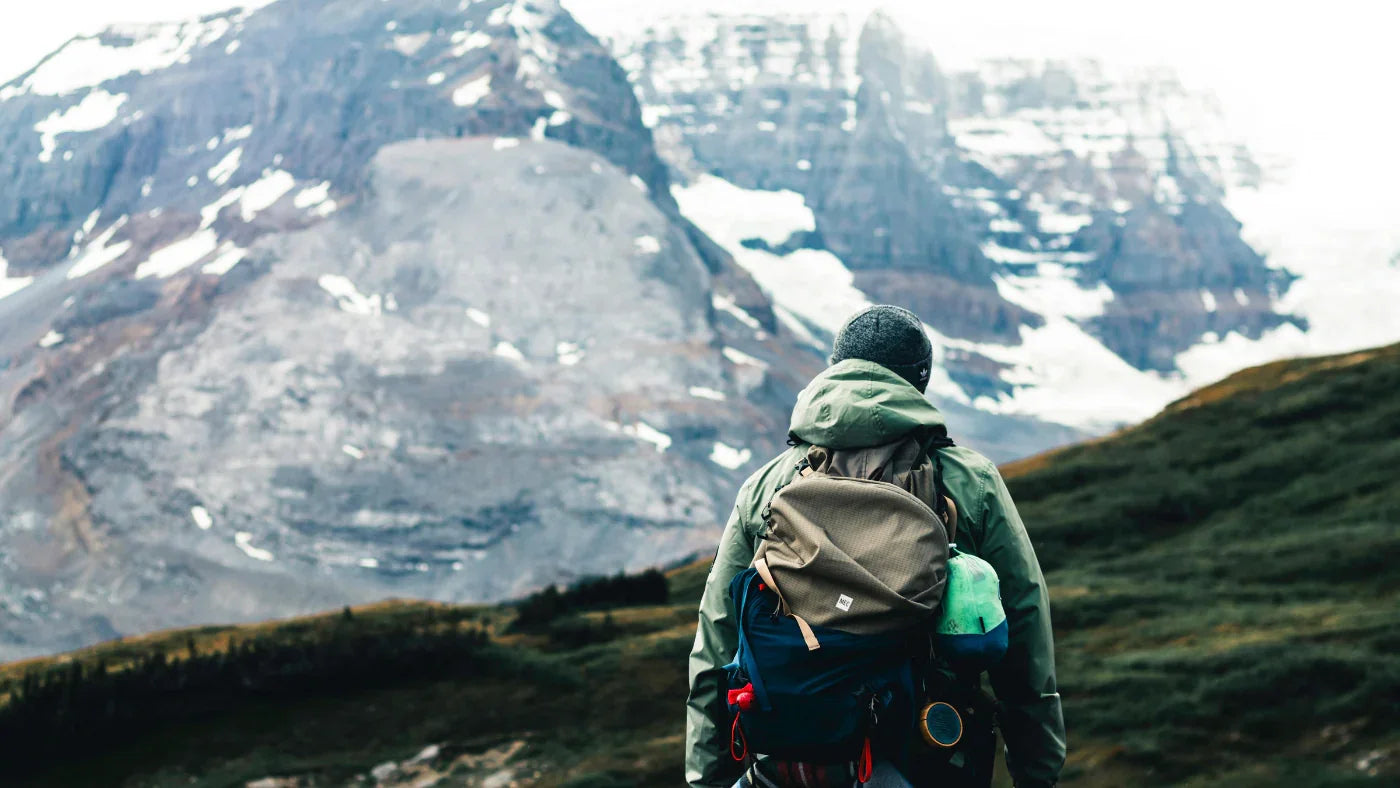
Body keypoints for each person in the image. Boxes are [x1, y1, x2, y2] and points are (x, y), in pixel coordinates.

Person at [684, 305, 1066, 788]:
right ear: (919, 383)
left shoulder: (768, 484)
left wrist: (708, 778)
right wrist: (1037, 773)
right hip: (925, 755)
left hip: (787, 763)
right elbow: (1025, 636)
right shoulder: (970, 482)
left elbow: (717, 642)